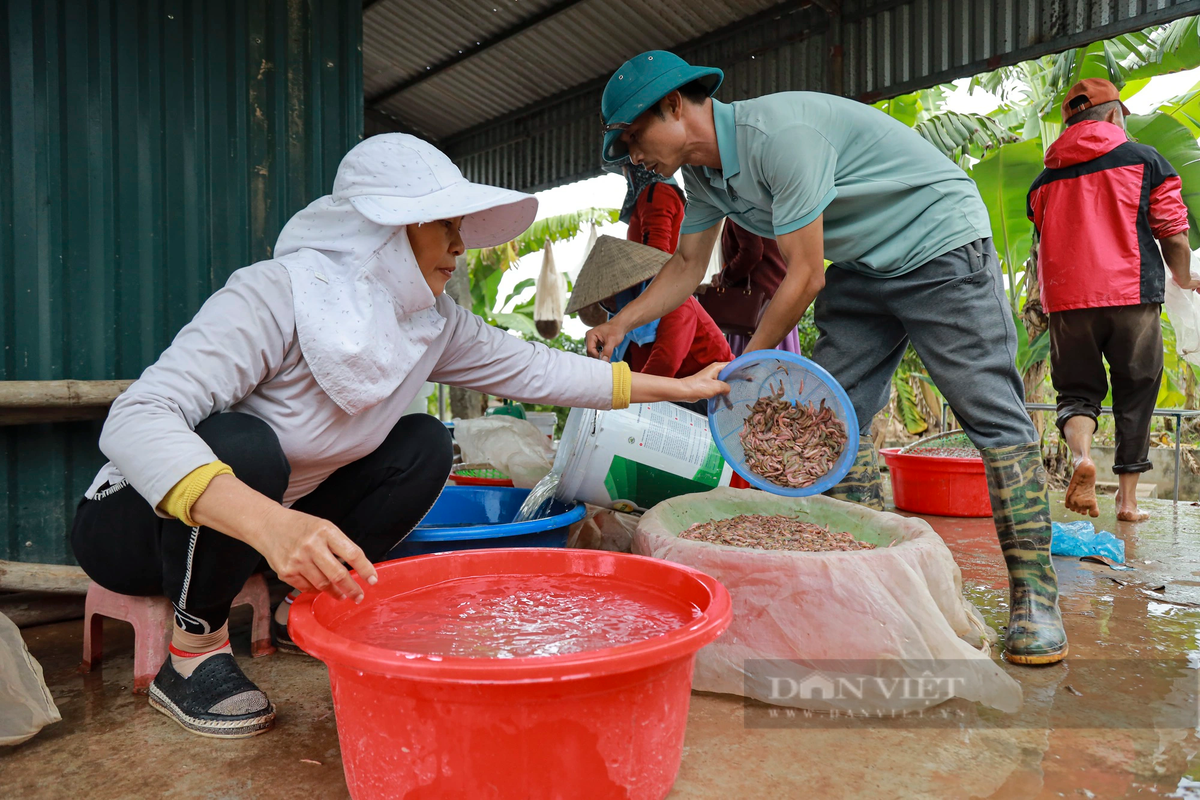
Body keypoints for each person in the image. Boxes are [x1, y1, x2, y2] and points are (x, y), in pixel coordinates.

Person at [70, 133, 730, 738]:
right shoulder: (273, 295)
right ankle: (192, 654)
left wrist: (683, 387)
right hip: (133, 527)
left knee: (423, 444)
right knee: (243, 445)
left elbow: (541, 368)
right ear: (385, 231)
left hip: (263, 536)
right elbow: (135, 418)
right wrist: (272, 528)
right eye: (445, 226)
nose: (460, 246)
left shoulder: (432, 323)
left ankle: (297, 611)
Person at [588, 50, 1067, 665]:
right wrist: (620, 322)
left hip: (939, 244)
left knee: (992, 416)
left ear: (675, 105)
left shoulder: (779, 139)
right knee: (830, 417)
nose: (633, 154)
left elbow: (806, 275)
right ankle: (874, 583)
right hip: (865, 265)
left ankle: (1035, 600)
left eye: (634, 135)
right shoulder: (706, 179)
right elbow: (685, 266)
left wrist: (745, 368)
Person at [1028, 78, 1198, 523]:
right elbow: (1173, 234)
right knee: (1135, 393)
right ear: (1114, 114)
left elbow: (1045, 238)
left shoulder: (1043, 181)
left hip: (1067, 303)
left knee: (1076, 392)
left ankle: (1082, 456)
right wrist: (1184, 277)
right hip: (1132, 296)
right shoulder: (1145, 161)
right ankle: (1127, 503)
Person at [713, 220, 802, 356]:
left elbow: (751, 252)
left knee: (750, 370)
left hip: (754, 309)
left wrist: (724, 278)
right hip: (782, 299)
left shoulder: (741, 208)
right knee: (782, 371)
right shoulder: (775, 207)